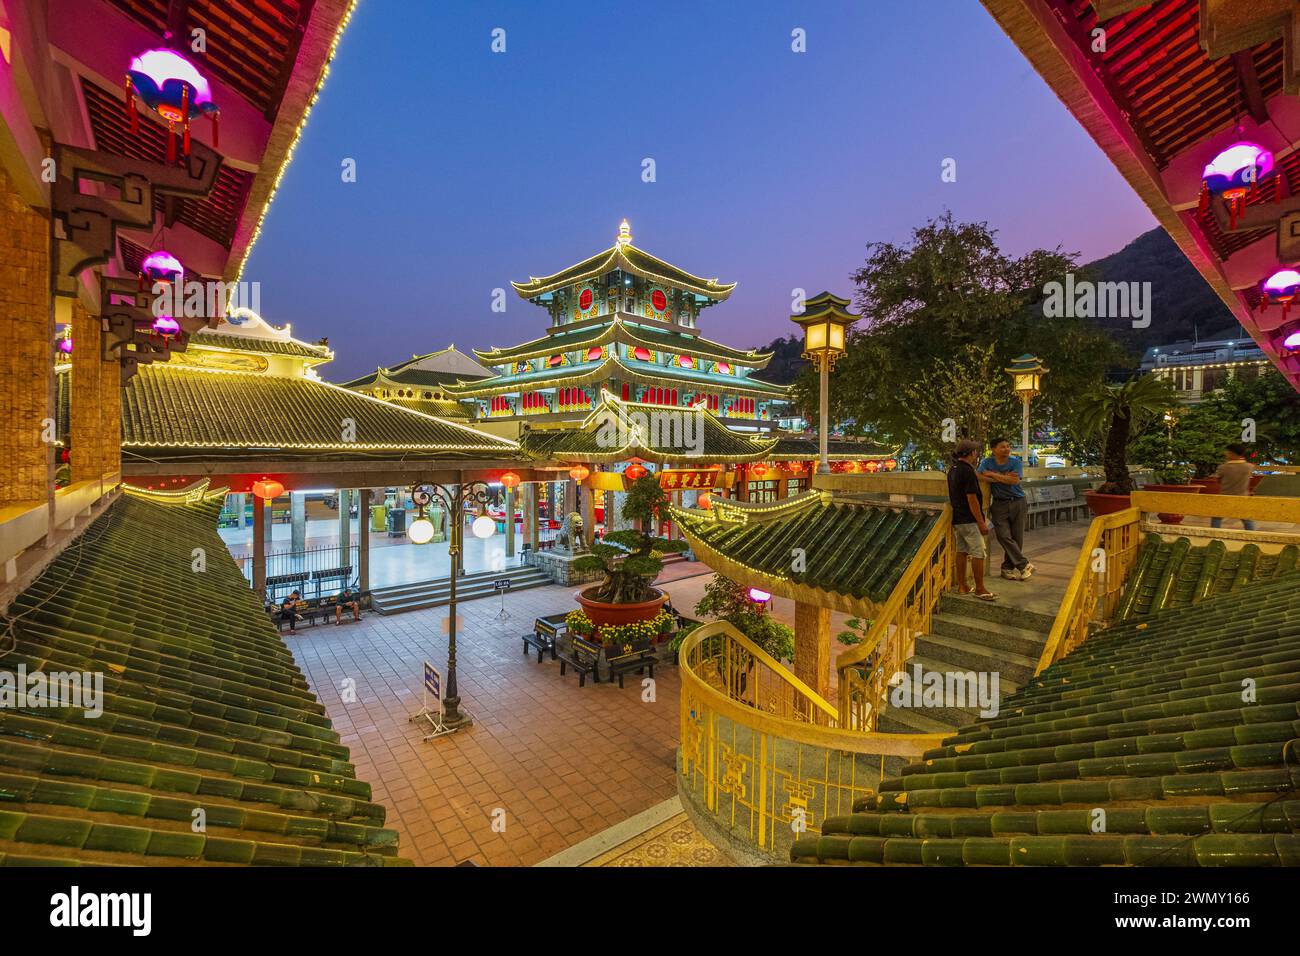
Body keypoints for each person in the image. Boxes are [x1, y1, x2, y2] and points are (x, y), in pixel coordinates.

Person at [978, 437, 1035, 581]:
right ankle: (1024, 565)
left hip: (1018, 502)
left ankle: (1007, 568)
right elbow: (978, 475)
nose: (1007, 449)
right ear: (993, 449)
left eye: (1008, 446)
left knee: (1017, 538)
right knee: (1002, 535)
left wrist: (991, 474)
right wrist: (1003, 477)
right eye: (1003, 447)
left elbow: (1014, 480)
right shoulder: (987, 462)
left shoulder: (1015, 462)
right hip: (999, 504)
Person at [947, 439, 996, 601]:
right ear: (971, 453)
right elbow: (972, 498)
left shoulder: (952, 469)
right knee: (979, 552)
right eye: (975, 451)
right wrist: (981, 522)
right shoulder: (967, 471)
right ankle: (980, 588)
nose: (976, 454)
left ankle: (963, 586)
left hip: (958, 518)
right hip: (969, 519)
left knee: (961, 551)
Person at [1210, 443, 1256, 532]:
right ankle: (1252, 535)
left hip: (1225, 497)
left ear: (1232, 453)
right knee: (1247, 519)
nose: (1225, 453)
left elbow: (1218, 481)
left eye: (1227, 452)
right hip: (1242, 497)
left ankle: (1214, 534)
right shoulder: (1249, 467)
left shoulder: (1223, 467)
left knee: (1216, 517)